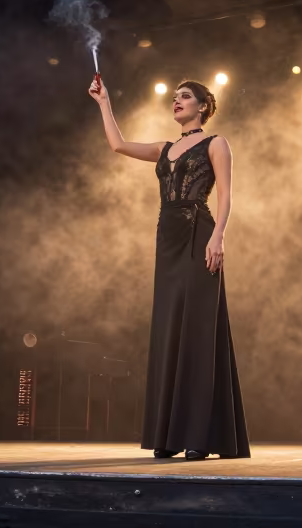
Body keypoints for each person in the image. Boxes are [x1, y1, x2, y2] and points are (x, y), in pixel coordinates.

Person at [88, 78, 251, 460]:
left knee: (196, 331)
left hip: (200, 232)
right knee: (169, 329)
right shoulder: (165, 149)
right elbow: (118, 145)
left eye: (185, 97)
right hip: (168, 237)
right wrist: (104, 102)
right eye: (174, 97)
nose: (176, 101)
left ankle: (199, 436)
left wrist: (219, 237)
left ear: (203, 106)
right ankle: (169, 434)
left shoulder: (216, 143)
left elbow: (226, 194)